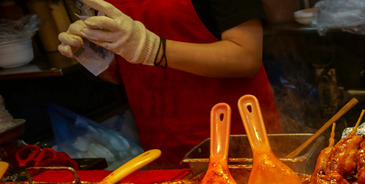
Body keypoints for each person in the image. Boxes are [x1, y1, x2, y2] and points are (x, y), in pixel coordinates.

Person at [57, 0, 282, 168]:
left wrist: (154, 49)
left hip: (237, 141)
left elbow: (246, 57)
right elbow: (126, 73)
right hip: (161, 146)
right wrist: (95, 58)